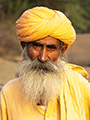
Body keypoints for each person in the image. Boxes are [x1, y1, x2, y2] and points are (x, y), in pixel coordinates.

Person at [0, 6, 90, 120]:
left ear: (62, 51)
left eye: (51, 48)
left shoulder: (81, 88)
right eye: (37, 46)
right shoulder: (9, 93)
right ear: (24, 47)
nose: (42, 57)